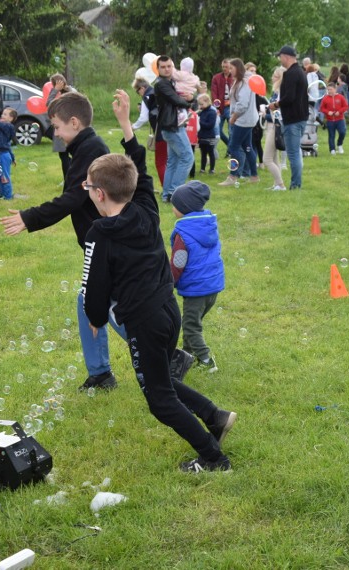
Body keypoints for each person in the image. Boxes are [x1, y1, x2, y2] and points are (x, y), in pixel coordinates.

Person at [82, 90, 235, 472]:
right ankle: (215, 416)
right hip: (169, 311)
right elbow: (141, 171)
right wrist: (124, 127)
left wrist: (95, 318)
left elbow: (95, 288)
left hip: (145, 321)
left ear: (100, 194)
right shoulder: (147, 208)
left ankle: (214, 458)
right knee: (160, 378)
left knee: (158, 397)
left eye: (88, 188)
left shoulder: (101, 232)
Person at [0, 92, 120, 391]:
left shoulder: (91, 149)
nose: (54, 133)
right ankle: (101, 373)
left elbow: (73, 198)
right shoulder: (81, 146)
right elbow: (74, 189)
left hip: (107, 242)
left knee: (106, 304)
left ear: (75, 123)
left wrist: (30, 217)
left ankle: (165, 355)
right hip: (99, 241)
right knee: (90, 302)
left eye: (56, 126)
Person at [169, 181, 225, 373]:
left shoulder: (183, 233)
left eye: (174, 204)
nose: (172, 207)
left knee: (191, 326)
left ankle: (207, 360)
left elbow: (178, 263)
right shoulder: (207, 224)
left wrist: (169, 282)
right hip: (212, 286)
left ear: (183, 208)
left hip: (196, 289)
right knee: (191, 322)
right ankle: (187, 354)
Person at [268, 46, 308, 190]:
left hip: (293, 119)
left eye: (280, 57)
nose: (280, 60)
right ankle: (296, 182)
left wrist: (276, 104)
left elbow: (289, 97)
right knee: (296, 151)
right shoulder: (301, 72)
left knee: (293, 153)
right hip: (301, 117)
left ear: (286, 56)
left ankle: (295, 184)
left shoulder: (291, 73)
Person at [155, 55, 194, 201]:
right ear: (158, 69)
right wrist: (190, 101)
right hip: (172, 127)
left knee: (173, 161)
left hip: (172, 126)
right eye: (163, 67)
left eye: (169, 66)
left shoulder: (171, 82)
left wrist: (189, 99)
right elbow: (176, 100)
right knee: (187, 157)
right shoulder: (162, 84)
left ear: (173, 67)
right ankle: (174, 193)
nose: (166, 69)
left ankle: (167, 195)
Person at [217, 59, 259, 187]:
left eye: (231, 68)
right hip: (246, 119)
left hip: (243, 120)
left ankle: (233, 176)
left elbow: (242, 104)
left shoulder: (245, 82)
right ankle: (254, 176)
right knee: (247, 147)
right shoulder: (240, 80)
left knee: (233, 147)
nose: (229, 71)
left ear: (238, 68)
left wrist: (233, 117)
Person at [262, 67, 287, 191]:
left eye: (275, 76)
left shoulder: (281, 92)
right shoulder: (276, 91)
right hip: (273, 125)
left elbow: (278, 113)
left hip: (276, 126)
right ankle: (277, 184)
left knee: (266, 159)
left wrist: (265, 113)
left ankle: (281, 184)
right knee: (274, 157)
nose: (272, 78)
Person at [47, 74, 73, 177]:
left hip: (64, 129)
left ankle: (68, 179)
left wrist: (55, 91)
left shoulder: (65, 95)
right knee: (68, 155)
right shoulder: (71, 91)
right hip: (69, 128)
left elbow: (49, 104)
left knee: (64, 156)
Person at [319, 81, 348, 155]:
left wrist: (340, 111)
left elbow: (345, 106)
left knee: (342, 132)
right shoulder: (325, 98)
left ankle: (339, 144)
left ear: (335, 89)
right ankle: (332, 149)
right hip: (330, 120)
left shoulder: (340, 97)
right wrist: (328, 112)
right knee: (331, 135)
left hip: (340, 119)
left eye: (331, 89)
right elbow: (322, 108)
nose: (329, 91)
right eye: (328, 89)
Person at [210, 59, 233, 146]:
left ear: (230, 67)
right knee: (218, 130)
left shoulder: (234, 77)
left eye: (226, 67)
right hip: (220, 107)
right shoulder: (216, 78)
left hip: (231, 107)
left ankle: (230, 151)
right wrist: (216, 107)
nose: (224, 69)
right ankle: (229, 145)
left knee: (231, 131)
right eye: (223, 67)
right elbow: (213, 93)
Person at [196, 94, 218, 175]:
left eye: (202, 104)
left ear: (207, 102)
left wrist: (199, 122)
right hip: (202, 136)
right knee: (203, 153)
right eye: (199, 104)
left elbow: (210, 125)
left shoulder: (212, 112)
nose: (200, 106)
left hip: (210, 136)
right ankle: (202, 169)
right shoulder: (201, 112)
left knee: (211, 152)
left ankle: (212, 169)